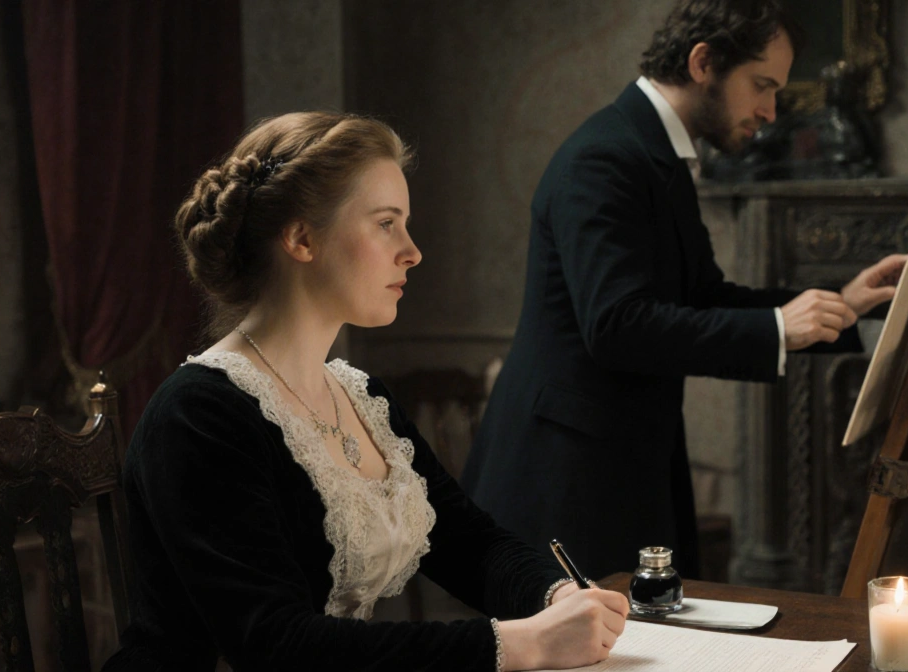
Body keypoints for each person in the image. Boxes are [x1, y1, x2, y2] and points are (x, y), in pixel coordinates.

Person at [102, 112, 629, 672]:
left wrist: (554, 597)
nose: (412, 251)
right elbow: (276, 645)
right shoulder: (197, 416)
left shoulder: (358, 396)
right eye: (386, 223)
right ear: (302, 238)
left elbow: (468, 542)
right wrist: (522, 643)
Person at [461, 0, 906, 582]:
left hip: (612, 465)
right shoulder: (605, 156)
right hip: (564, 483)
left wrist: (840, 306)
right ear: (704, 62)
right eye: (762, 86)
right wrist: (777, 327)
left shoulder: (652, 152)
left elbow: (700, 297)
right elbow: (616, 326)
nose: (771, 111)